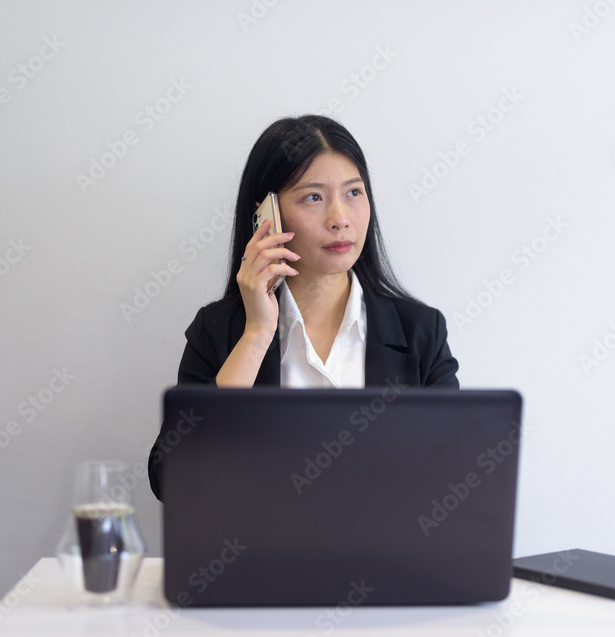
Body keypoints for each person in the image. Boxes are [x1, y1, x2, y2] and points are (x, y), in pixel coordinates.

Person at [148, 115, 458, 500]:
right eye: (313, 197)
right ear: (267, 216)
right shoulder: (219, 330)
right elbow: (173, 479)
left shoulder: (420, 331)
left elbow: (453, 479)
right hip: (257, 557)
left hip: (385, 557)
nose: (340, 219)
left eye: (353, 193)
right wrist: (257, 334)